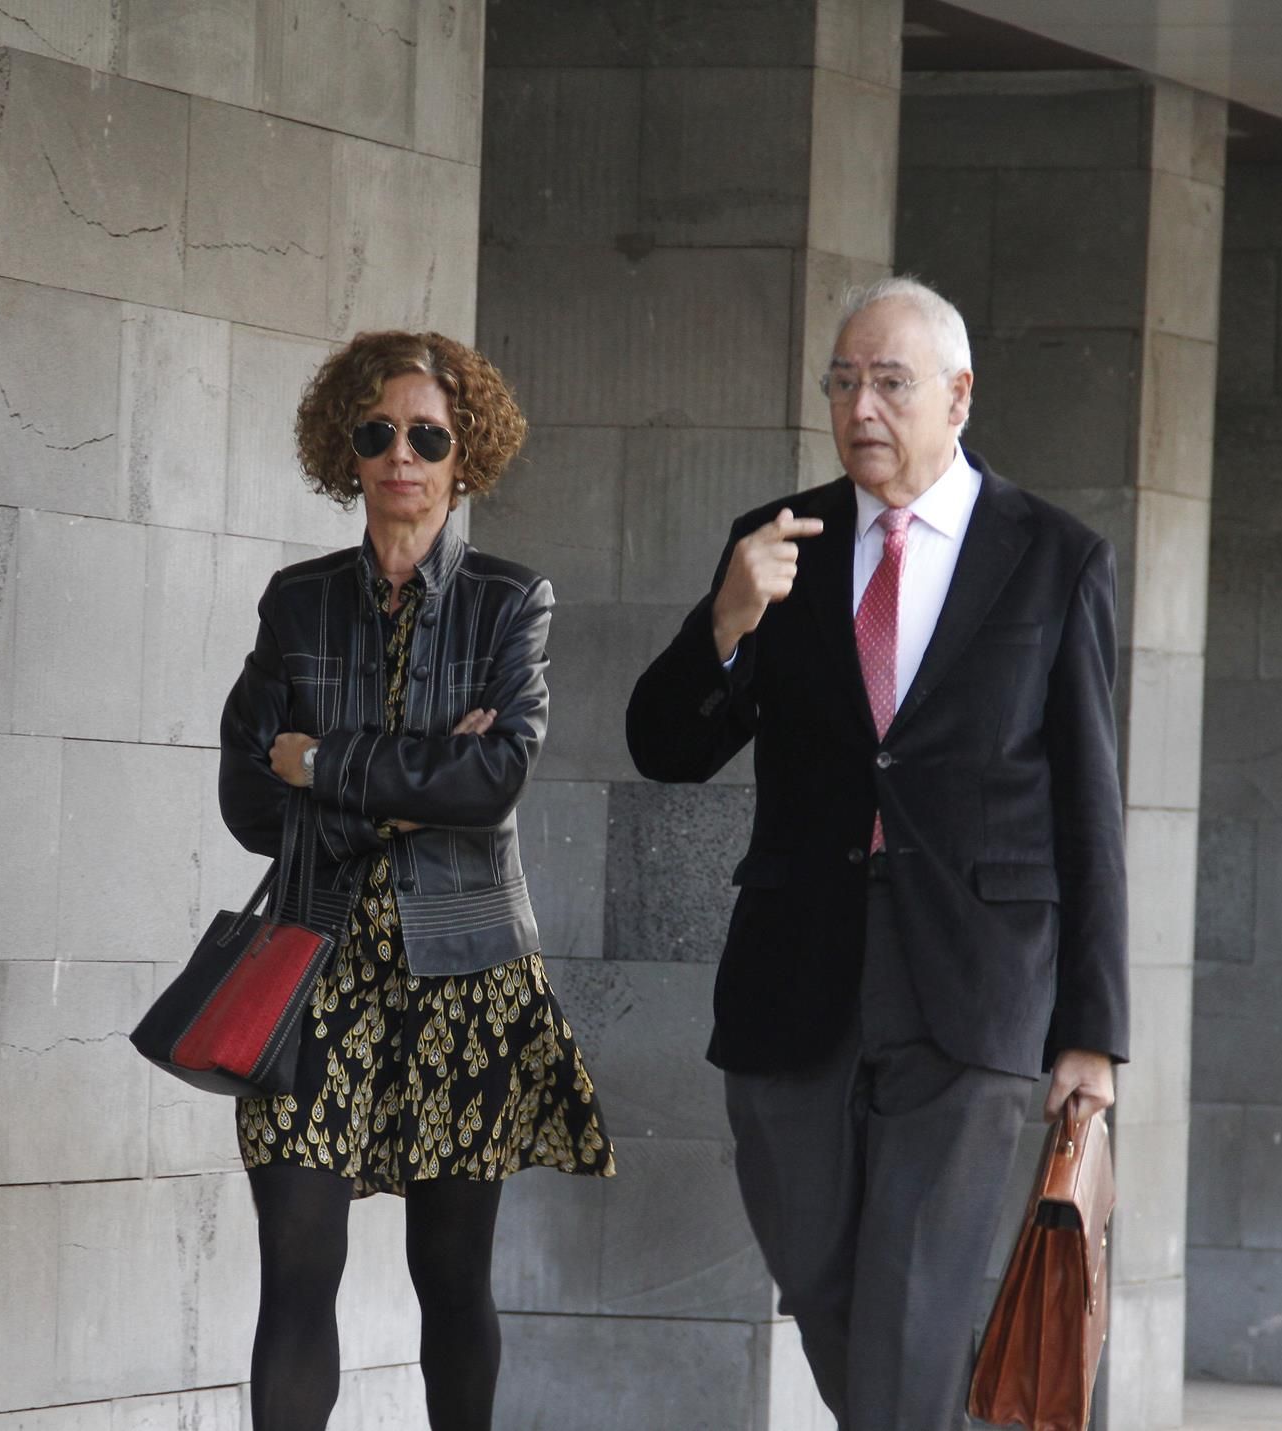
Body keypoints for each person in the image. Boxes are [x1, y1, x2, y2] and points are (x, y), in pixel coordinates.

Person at [625, 276, 1127, 1429]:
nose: (861, 407)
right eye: (842, 382)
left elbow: (1088, 810)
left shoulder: (1052, 558)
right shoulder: (778, 545)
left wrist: (1092, 1031)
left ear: (957, 397)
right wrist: (723, 625)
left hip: (975, 984)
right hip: (798, 975)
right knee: (821, 1283)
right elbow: (662, 749)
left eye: (889, 383)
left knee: (911, 1301)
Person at [218, 329, 614, 1431]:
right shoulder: (296, 605)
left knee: (452, 1284)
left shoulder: (507, 601)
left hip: (464, 976)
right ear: (345, 452)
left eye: (427, 435)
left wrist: (328, 765)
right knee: (294, 1273)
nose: (401, 453)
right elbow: (249, 801)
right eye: (377, 432)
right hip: (312, 968)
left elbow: (490, 782)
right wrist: (411, 779)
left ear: (462, 452)